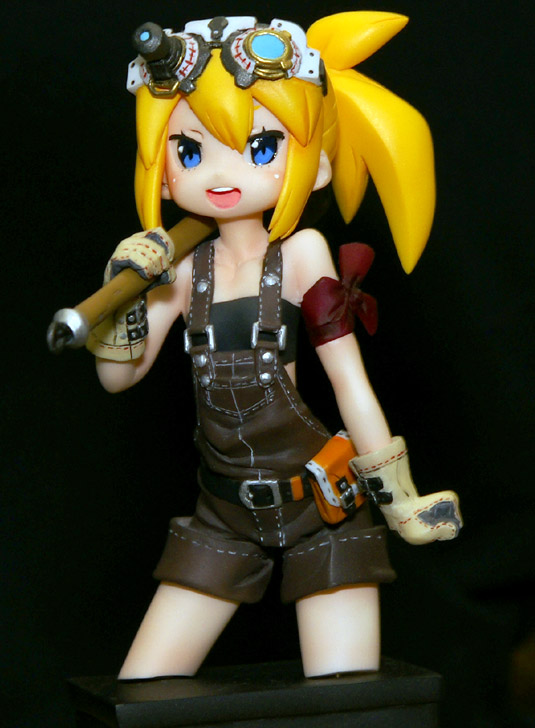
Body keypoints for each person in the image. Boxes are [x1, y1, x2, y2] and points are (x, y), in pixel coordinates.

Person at [90, 13, 461, 680]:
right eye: (189, 151)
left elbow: (349, 382)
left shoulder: (303, 254)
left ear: (317, 166)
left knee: (348, 702)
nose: (221, 173)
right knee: (140, 696)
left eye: (261, 146)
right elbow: (118, 380)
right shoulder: (179, 271)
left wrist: (399, 498)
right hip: (221, 508)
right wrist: (121, 300)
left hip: (321, 506)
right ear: (161, 170)